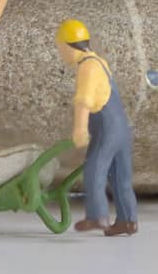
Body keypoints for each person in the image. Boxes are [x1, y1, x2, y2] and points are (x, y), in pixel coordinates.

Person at [55, 18, 138, 237]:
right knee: (121, 176)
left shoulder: (87, 68)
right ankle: (127, 221)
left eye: (60, 48)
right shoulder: (99, 61)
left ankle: (97, 216)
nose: (61, 53)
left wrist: (80, 129)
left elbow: (84, 101)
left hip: (106, 127)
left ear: (68, 46)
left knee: (94, 170)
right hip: (121, 126)